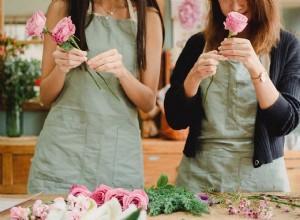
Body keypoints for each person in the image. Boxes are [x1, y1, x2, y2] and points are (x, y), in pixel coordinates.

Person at [28, 0, 164, 194]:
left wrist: (122, 72)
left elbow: (148, 102)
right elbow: (45, 97)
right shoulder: (63, 7)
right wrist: (61, 68)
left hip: (118, 158)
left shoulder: (148, 18)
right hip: (62, 155)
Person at [164, 0, 300, 192]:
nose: (235, 6)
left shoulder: (286, 45)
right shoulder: (197, 44)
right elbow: (175, 119)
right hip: (199, 174)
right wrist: (193, 78)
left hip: (261, 179)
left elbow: (285, 122)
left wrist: (256, 68)